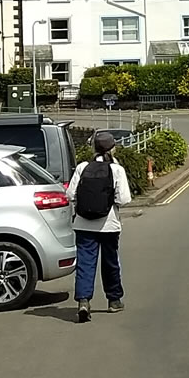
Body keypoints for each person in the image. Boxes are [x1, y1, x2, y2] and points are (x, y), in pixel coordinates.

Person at [66, 132, 132, 323]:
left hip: (83, 223)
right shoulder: (116, 169)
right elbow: (124, 199)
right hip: (109, 224)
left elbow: (70, 194)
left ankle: (84, 302)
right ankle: (114, 300)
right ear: (112, 148)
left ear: (94, 148)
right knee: (110, 262)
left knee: (85, 263)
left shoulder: (82, 167)